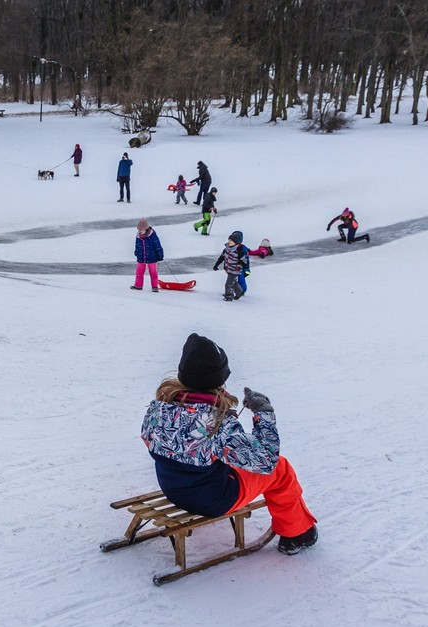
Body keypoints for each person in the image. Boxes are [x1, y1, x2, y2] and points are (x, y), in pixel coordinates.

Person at [141, 333, 318, 555]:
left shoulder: (158, 408)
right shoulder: (216, 423)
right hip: (212, 500)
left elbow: (166, 443)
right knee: (281, 469)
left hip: (173, 489)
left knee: (214, 460)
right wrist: (263, 415)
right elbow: (266, 462)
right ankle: (297, 534)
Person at [212, 230, 250, 301]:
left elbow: (245, 261)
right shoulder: (226, 249)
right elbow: (222, 258)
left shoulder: (239, 252)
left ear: (236, 242)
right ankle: (239, 292)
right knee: (233, 282)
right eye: (229, 240)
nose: (229, 241)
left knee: (228, 284)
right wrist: (216, 265)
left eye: (231, 241)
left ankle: (229, 296)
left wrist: (245, 268)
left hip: (235, 270)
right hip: (228, 268)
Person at [131, 218, 163, 292]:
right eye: (139, 230)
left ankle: (154, 287)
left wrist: (160, 255)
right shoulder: (138, 236)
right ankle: (138, 286)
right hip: (141, 257)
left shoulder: (152, 236)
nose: (140, 232)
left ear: (146, 229)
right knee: (139, 272)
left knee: (153, 273)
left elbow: (157, 245)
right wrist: (137, 252)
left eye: (141, 230)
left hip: (152, 257)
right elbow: (137, 245)